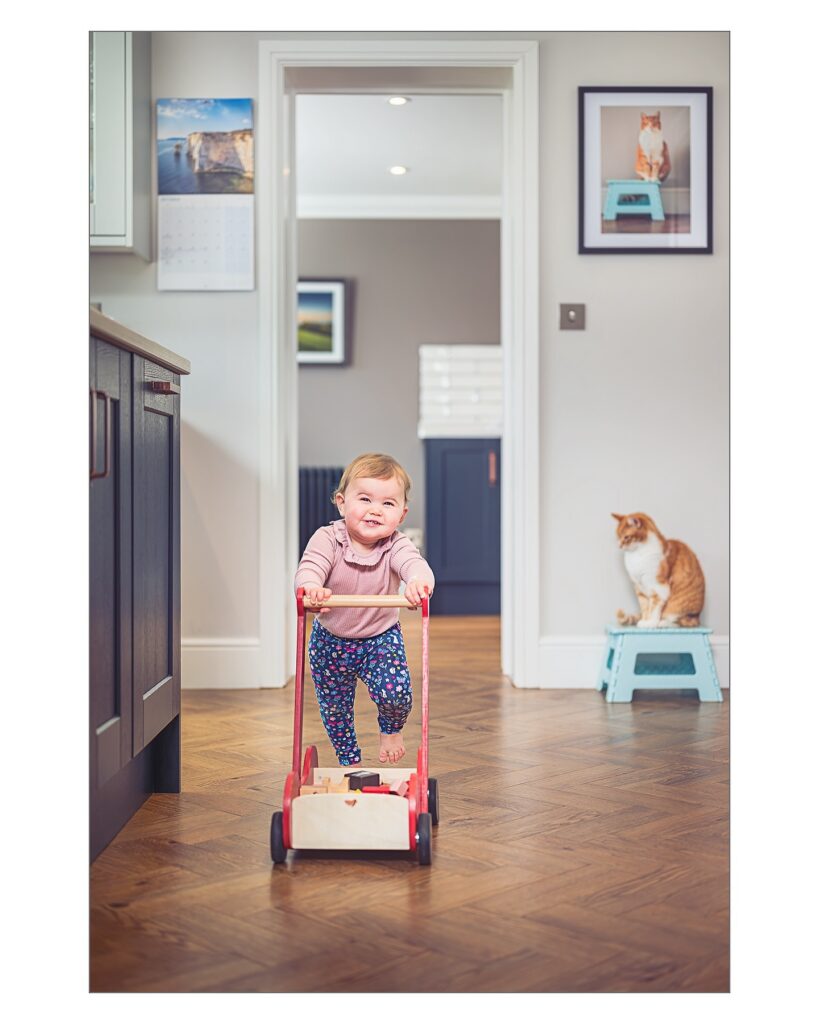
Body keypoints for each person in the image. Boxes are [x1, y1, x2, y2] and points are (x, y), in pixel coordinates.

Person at [294, 453, 435, 767]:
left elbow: (416, 567)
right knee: (334, 709)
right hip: (330, 640)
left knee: (396, 693)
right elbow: (308, 569)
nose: (375, 510)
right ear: (342, 503)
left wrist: (417, 584)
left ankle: (391, 730)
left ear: (401, 513)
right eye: (365, 499)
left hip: (380, 639)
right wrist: (312, 587)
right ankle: (349, 761)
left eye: (388, 504)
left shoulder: (396, 545)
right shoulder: (327, 539)